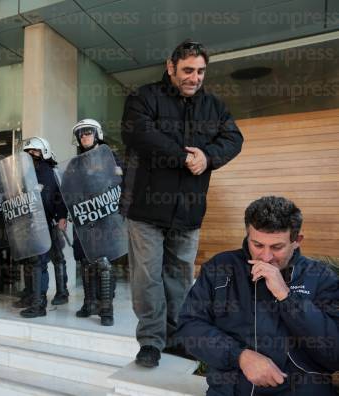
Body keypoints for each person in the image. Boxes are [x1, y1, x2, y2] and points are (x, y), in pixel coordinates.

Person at [120, 39, 244, 367]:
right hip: (146, 208)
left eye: (201, 71)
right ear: (170, 67)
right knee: (148, 277)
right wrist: (182, 156)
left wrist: (209, 156)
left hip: (189, 209)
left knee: (179, 276)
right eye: (188, 70)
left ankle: (177, 337)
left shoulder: (214, 107)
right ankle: (150, 340)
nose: (195, 77)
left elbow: (234, 139)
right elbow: (138, 134)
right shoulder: (144, 97)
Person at [176, 196, 339, 395]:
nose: (266, 257)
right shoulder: (220, 267)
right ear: (247, 235)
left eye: (277, 247)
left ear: (297, 241)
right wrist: (239, 356)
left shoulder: (321, 277)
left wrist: (286, 297)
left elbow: (334, 354)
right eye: (257, 245)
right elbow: (189, 326)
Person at [70, 119, 123, 326]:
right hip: (84, 218)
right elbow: (69, 188)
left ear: (97, 134)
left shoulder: (109, 156)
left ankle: (106, 308)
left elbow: (121, 181)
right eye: (81, 134)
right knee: (85, 261)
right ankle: (89, 303)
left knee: (104, 262)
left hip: (105, 217)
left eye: (88, 133)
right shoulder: (76, 162)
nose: (84, 137)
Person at [13, 137, 67, 318]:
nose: (30, 155)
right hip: (27, 222)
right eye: (27, 152)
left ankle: (40, 303)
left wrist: (61, 217)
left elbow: (59, 197)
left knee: (41, 261)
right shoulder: (26, 173)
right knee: (30, 260)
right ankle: (31, 296)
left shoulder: (49, 172)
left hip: (45, 222)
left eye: (34, 152)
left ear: (43, 152)